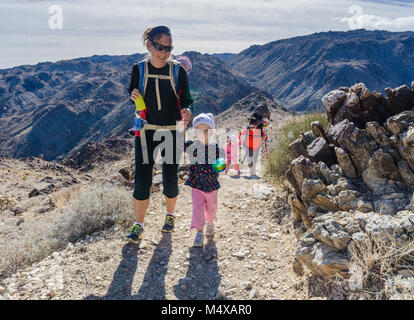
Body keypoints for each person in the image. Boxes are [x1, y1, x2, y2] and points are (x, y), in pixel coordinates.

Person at [125, 26, 193, 244]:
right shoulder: (139, 69)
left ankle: (170, 216)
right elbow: (133, 93)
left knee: (170, 177)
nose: (164, 53)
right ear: (149, 45)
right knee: (142, 179)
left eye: (169, 48)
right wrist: (133, 95)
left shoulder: (178, 71)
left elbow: (186, 100)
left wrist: (187, 111)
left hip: (172, 131)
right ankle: (138, 226)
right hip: (146, 129)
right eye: (160, 47)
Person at [183, 113, 224, 247]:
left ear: (211, 132)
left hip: (212, 186)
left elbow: (222, 164)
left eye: (206, 131)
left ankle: (211, 223)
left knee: (211, 209)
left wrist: (222, 165)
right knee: (198, 211)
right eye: (199, 131)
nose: (203, 134)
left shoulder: (216, 149)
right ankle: (199, 233)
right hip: (196, 186)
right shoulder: (192, 147)